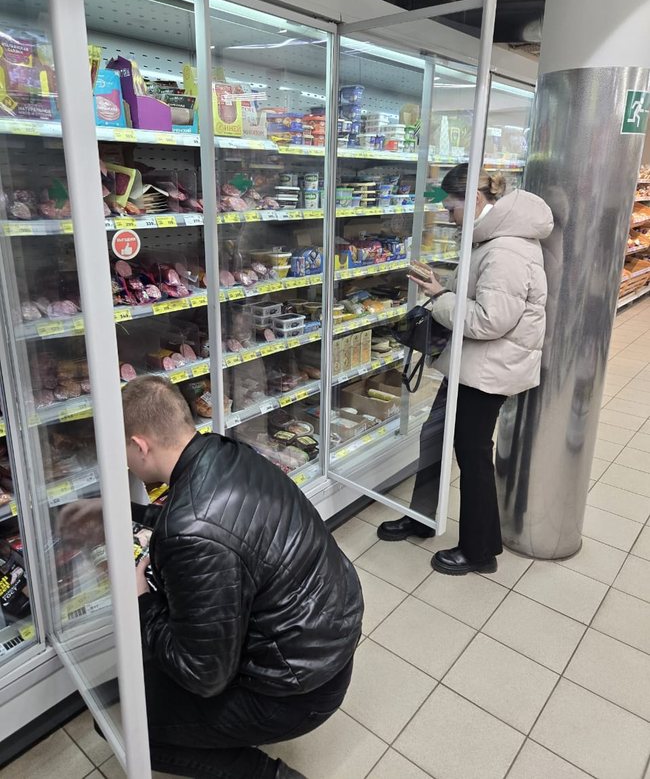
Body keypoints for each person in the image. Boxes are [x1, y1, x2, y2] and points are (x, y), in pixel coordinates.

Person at [119, 376, 363, 778]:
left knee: (124, 725)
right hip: (326, 647)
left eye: (124, 452)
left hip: (297, 691)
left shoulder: (190, 529)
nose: (125, 463)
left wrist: (143, 602)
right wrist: (132, 515)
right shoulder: (226, 453)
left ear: (140, 445)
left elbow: (203, 675)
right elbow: (219, 523)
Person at [378, 164, 553, 575]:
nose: (450, 217)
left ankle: (480, 551)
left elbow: (491, 320)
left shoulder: (505, 249)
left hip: (489, 370)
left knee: (472, 453)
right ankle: (422, 517)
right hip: (470, 364)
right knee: (435, 437)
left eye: (452, 208)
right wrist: (443, 287)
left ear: (474, 199)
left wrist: (441, 298)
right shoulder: (489, 239)